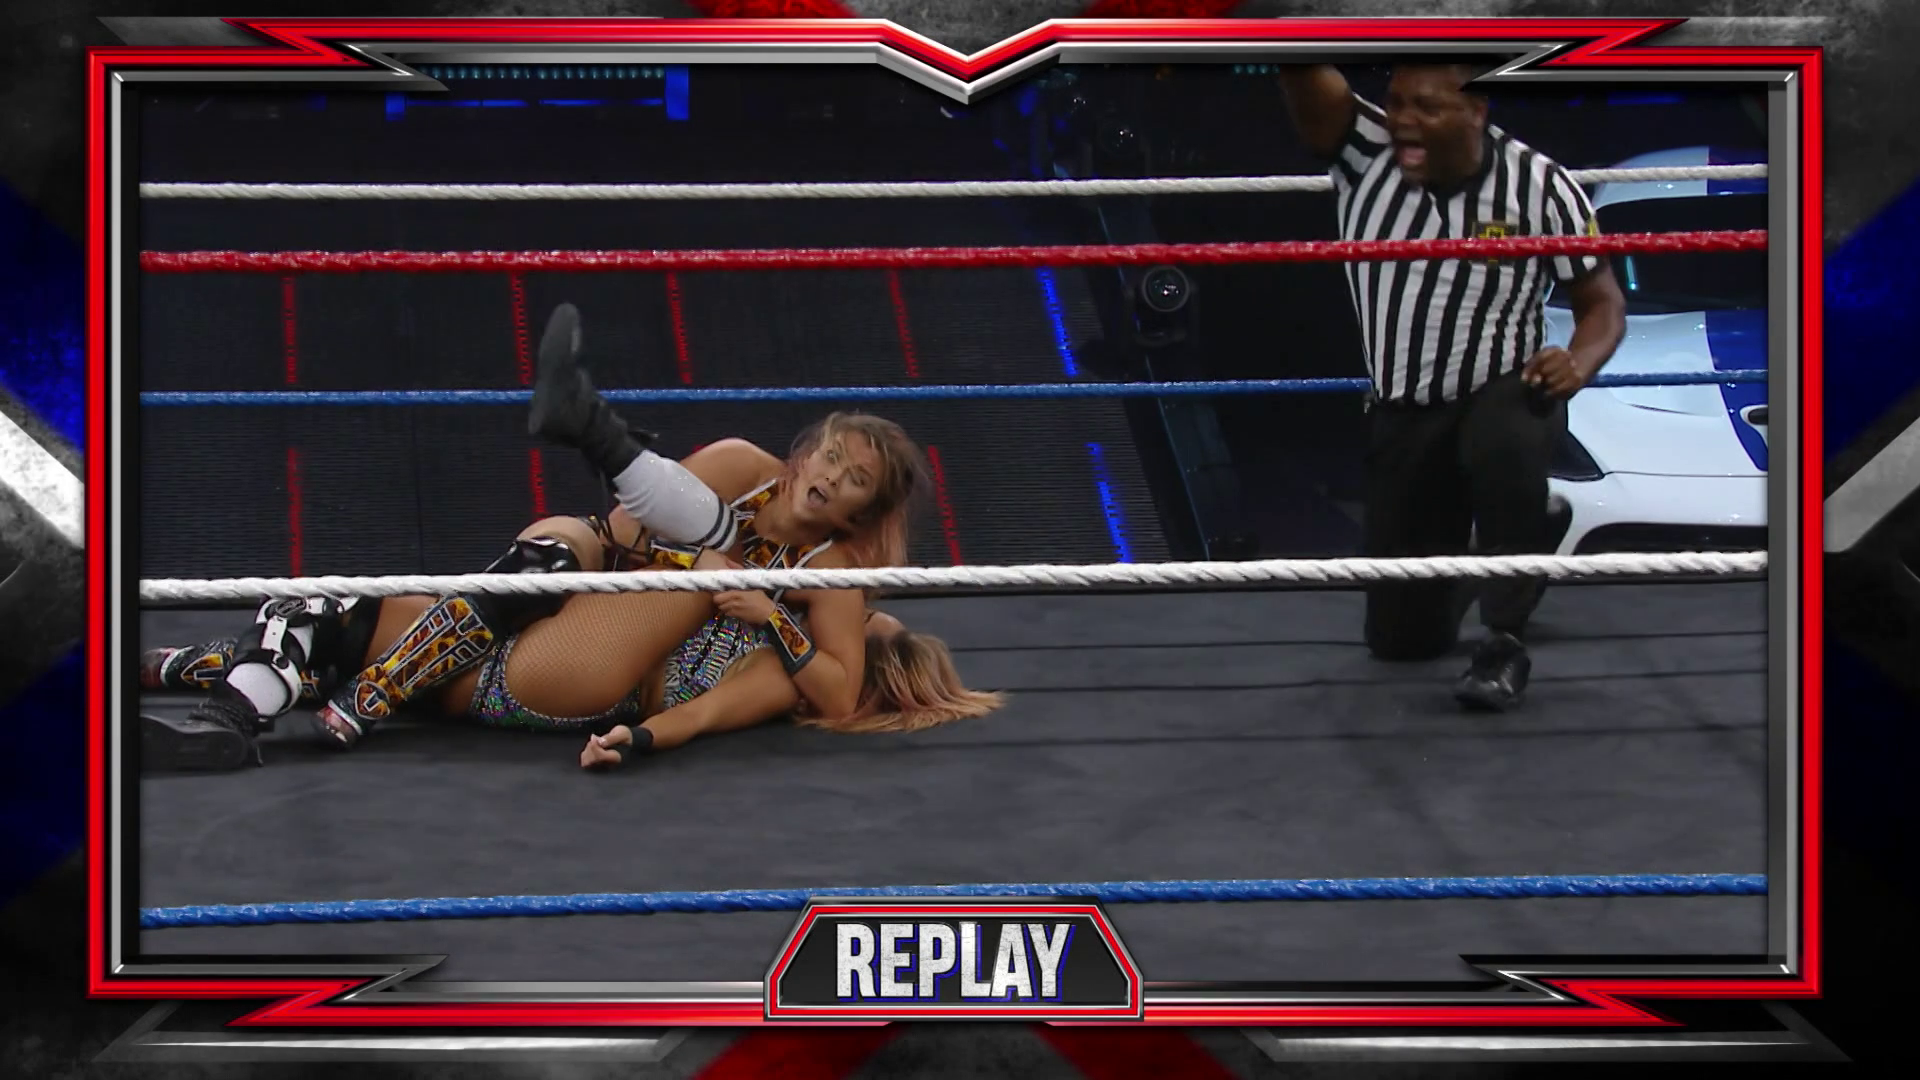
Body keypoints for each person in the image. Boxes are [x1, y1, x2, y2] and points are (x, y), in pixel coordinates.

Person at [139, 304, 1002, 770]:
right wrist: (687, 559)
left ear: (859, 515)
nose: (833, 476)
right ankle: (221, 713)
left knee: (684, 568)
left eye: (855, 481)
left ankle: (595, 432)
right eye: (834, 458)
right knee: (319, 612)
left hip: (575, 667)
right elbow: (624, 531)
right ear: (807, 449)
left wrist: (762, 615)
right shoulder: (748, 470)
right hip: (545, 619)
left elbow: (824, 695)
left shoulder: (819, 593)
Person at [1278, 62, 1627, 711]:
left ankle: (1503, 639)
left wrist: (1578, 362)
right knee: (1401, 642)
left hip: (1505, 390)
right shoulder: (1364, 154)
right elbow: (1303, 73)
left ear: (1476, 112)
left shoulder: (1540, 185)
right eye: (1396, 103)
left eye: (1427, 107)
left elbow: (1602, 303)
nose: (1404, 121)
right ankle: (1518, 538)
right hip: (1403, 410)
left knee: (1507, 437)